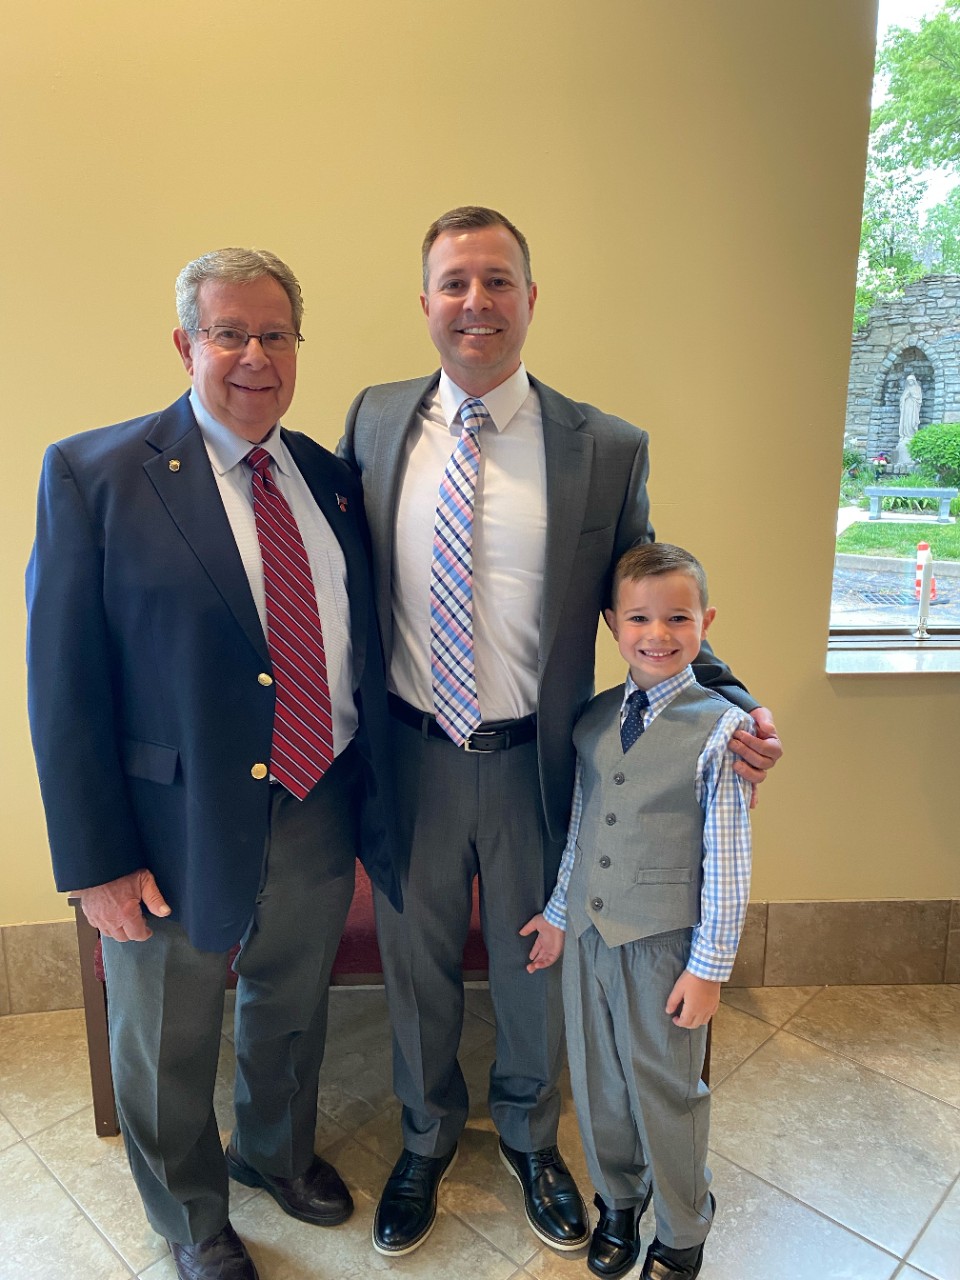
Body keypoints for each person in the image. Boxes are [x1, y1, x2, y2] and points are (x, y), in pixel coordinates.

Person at [338, 205, 782, 1258]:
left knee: (543, 957)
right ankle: (424, 1135)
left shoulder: (604, 446)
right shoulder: (372, 418)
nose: (476, 303)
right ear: (426, 303)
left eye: (498, 281)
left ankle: (534, 1136)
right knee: (418, 960)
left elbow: (649, 603)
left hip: (538, 763)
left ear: (532, 299)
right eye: (454, 282)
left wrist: (736, 705)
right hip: (408, 753)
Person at [26, 248, 399, 1280]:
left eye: (275, 334)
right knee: (167, 1031)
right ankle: (190, 1212)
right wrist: (93, 858)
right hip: (169, 823)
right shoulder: (95, 474)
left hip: (318, 797)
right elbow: (62, 684)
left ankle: (274, 1153)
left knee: (290, 997)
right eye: (229, 333)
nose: (253, 356)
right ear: (185, 343)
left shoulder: (329, 479)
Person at [522, 542, 752, 1280]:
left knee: (665, 1089)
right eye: (640, 619)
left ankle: (685, 1226)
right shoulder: (592, 721)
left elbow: (730, 864)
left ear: (705, 622)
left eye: (678, 618)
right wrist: (559, 915)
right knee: (596, 1081)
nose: (659, 634)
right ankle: (618, 1198)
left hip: (663, 946)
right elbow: (584, 830)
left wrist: (709, 968)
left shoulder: (722, 731)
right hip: (590, 935)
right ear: (613, 626)